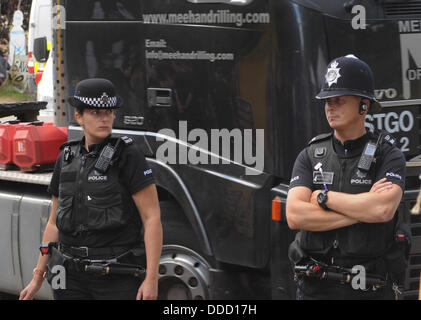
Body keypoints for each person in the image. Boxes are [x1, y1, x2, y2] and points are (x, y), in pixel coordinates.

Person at [19, 78, 163, 300]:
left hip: (116, 276)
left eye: (109, 112)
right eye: (96, 112)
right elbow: (53, 223)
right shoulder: (65, 158)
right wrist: (38, 276)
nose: (105, 118)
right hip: (68, 276)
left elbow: (151, 217)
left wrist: (151, 278)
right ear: (79, 116)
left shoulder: (129, 156)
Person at [286, 55, 408, 300]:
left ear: (364, 105)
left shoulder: (389, 155)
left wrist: (322, 198)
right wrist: (361, 212)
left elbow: (382, 210)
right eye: (327, 101)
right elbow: (295, 215)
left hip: (369, 289)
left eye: (339, 100)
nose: (330, 107)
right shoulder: (309, 155)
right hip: (315, 289)